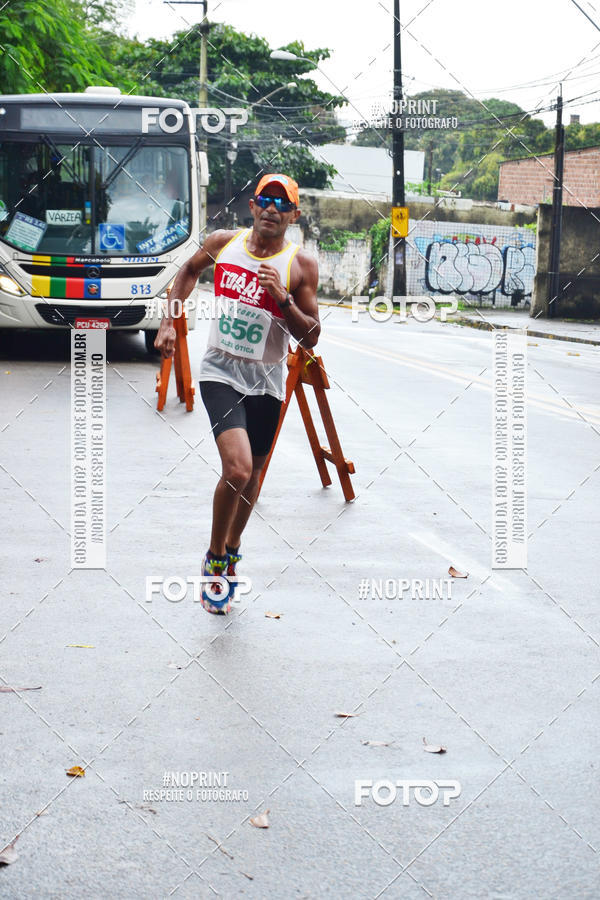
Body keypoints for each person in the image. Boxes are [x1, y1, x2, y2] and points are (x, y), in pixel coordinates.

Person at [155, 173, 320, 614]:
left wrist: (283, 298)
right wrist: (171, 321)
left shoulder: (299, 265)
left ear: (293, 215)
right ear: (252, 205)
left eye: (281, 204)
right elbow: (187, 272)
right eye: (265, 199)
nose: (272, 209)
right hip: (220, 370)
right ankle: (213, 560)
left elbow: (313, 335)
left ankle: (231, 550)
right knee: (238, 467)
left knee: (255, 477)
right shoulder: (224, 243)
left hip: (266, 378)